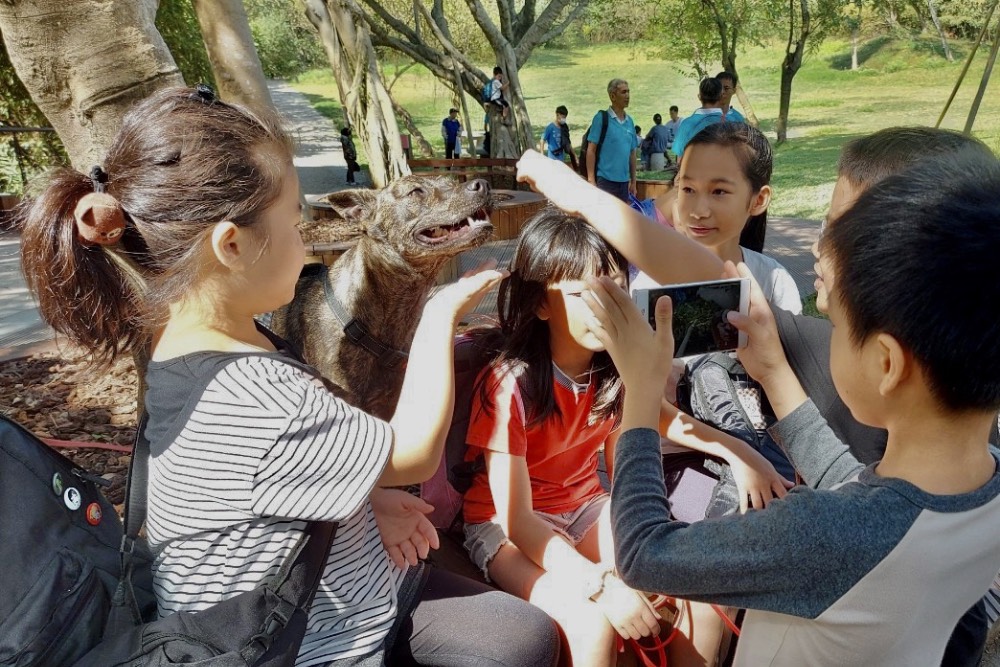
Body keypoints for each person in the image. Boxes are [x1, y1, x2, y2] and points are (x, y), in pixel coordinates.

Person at [17, 86, 561, 667]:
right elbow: (418, 453)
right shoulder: (258, 395)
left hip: (345, 588)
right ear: (232, 244)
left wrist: (366, 496)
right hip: (305, 642)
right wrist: (437, 314)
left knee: (523, 635)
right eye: (296, 220)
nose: (307, 241)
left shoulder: (185, 354)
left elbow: (267, 483)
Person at [585, 147, 1000, 666]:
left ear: (887, 364)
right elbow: (860, 496)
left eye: (838, 328)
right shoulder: (984, 489)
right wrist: (776, 373)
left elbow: (646, 555)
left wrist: (642, 399)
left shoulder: (821, 534)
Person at [459, 209, 791, 666]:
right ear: (539, 304)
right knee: (593, 625)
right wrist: (602, 585)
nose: (603, 306)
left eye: (613, 286)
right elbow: (517, 520)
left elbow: (661, 419)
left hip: (585, 506)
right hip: (505, 529)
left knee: (686, 585)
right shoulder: (510, 384)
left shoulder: (614, 365)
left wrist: (739, 452)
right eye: (579, 293)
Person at [633, 122, 803, 316]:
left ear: (759, 200)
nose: (699, 212)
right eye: (688, 189)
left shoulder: (774, 282)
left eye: (719, 191)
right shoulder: (649, 283)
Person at [586, 79, 638, 202]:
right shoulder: (601, 118)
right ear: (613, 96)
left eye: (628, 92)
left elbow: (632, 153)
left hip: (624, 183)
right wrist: (591, 180)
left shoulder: (629, 122)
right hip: (605, 181)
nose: (627, 96)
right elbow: (591, 150)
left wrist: (634, 182)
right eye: (623, 92)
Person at [671, 78, 724, 161]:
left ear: (699, 96)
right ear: (721, 96)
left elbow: (679, 161)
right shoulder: (733, 121)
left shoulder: (687, 124)